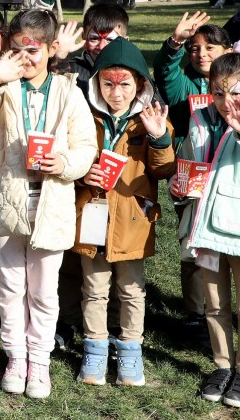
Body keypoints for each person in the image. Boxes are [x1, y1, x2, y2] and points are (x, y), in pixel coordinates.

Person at [0, 8, 97, 400]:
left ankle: (40, 359)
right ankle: (15, 356)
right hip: (6, 200)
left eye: (33, 51)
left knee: (42, 290)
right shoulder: (3, 85)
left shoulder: (68, 91)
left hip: (49, 202)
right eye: (17, 49)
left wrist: (65, 163)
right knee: (9, 288)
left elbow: (86, 145)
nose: (25, 58)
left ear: (52, 50)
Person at [175, 53, 240, 409]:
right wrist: (182, 183)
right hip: (206, 224)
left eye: (235, 93)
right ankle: (222, 365)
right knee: (215, 303)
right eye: (217, 94)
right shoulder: (200, 117)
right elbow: (191, 158)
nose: (226, 102)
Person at [74, 38, 175, 388]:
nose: (116, 93)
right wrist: (84, 171)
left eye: (125, 85)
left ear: (140, 85)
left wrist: (160, 140)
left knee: (132, 290)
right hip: (92, 214)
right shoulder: (84, 114)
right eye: (108, 84)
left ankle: (131, 350)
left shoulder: (150, 119)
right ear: (97, 82)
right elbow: (70, 154)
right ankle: (95, 349)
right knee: (94, 287)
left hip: (133, 219)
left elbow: (163, 171)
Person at [154, 11, 231, 339]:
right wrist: (175, 43)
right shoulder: (184, 86)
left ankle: (221, 309)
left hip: (227, 177)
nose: (201, 54)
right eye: (196, 48)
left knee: (225, 246)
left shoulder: (237, 86)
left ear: (228, 52)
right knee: (190, 243)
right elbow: (165, 72)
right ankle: (194, 312)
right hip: (192, 178)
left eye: (211, 48)